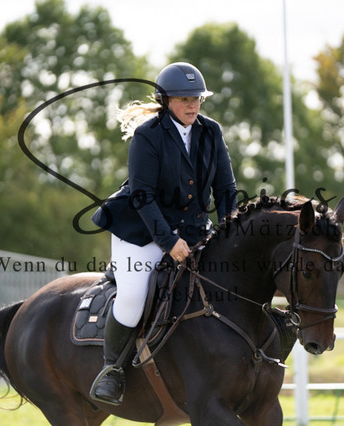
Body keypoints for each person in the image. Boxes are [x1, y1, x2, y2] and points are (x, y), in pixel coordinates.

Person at [89, 62, 238, 404]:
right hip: (140, 231)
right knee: (133, 297)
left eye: (197, 98)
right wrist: (168, 242)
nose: (192, 105)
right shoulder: (148, 135)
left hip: (194, 230)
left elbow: (226, 190)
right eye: (184, 99)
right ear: (165, 100)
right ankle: (112, 370)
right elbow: (142, 196)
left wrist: (229, 233)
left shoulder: (211, 132)